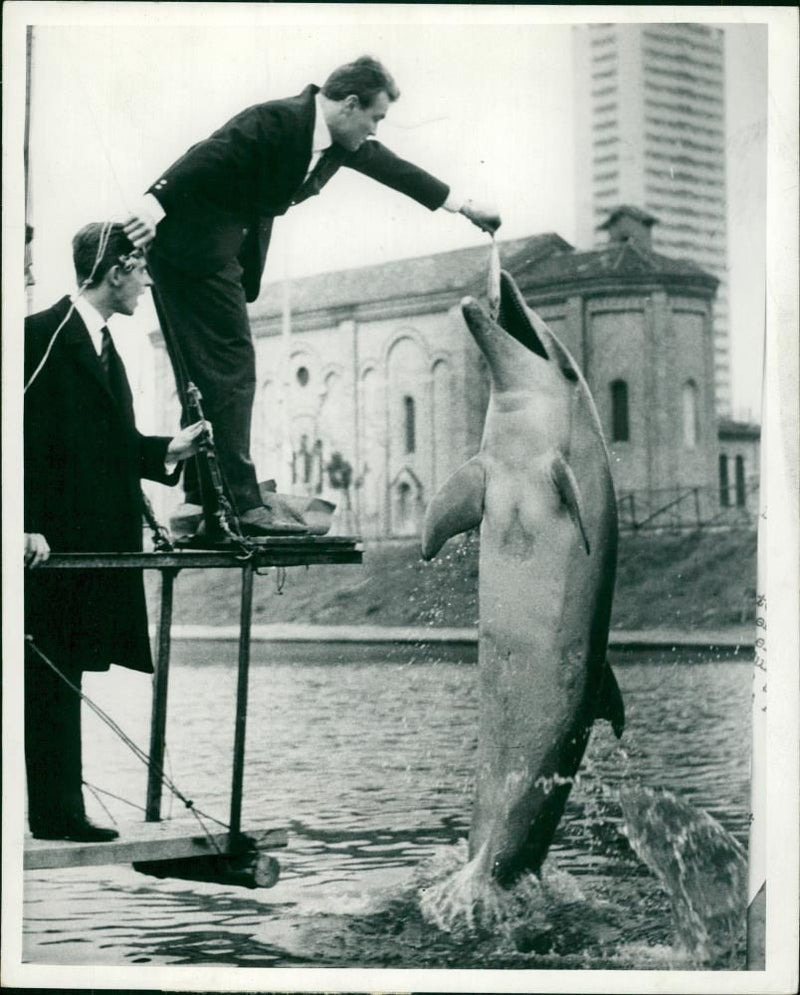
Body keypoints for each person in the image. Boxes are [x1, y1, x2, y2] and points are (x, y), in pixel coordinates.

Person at [123, 55, 502, 537]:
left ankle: (204, 496)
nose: (375, 130)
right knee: (232, 366)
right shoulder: (277, 120)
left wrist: (464, 207)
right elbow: (206, 155)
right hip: (194, 248)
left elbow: (394, 169)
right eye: (375, 118)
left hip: (213, 252)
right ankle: (237, 505)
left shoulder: (340, 142)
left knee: (206, 374)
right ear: (348, 104)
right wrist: (150, 207)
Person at [24, 222, 207, 842]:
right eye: (142, 270)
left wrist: (169, 450)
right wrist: (24, 524)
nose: (149, 282)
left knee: (62, 670)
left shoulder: (100, 344)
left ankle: (58, 811)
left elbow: (110, 447)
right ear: (116, 271)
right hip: (49, 546)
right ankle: (56, 813)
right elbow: (15, 438)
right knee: (49, 673)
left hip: (90, 543)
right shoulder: (39, 336)